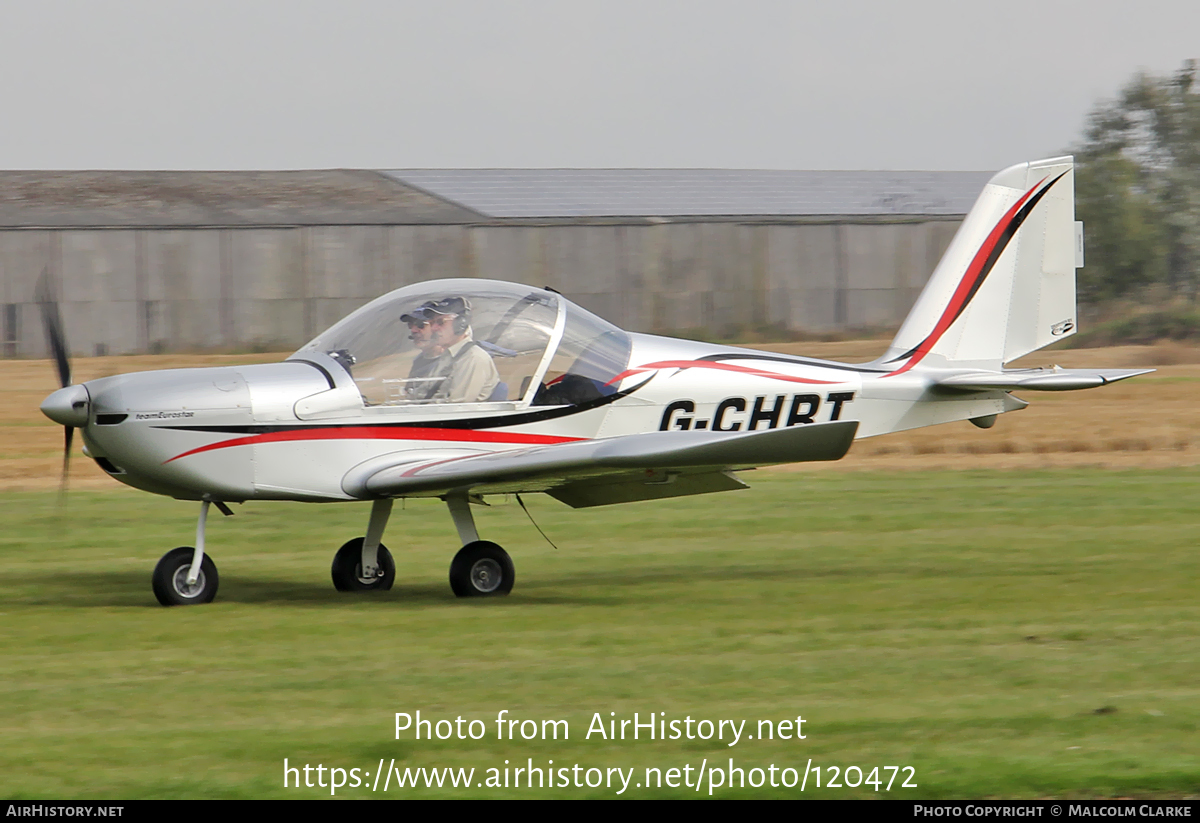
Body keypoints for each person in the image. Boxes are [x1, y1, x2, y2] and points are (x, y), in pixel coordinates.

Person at [404, 297, 500, 403]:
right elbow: (424, 392)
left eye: (440, 322)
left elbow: (457, 406)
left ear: (460, 325)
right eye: (432, 323)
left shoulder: (472, 358)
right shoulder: (449, 356)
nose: (434, 328)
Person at [399, 305, 446, 399]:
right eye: (410, 325)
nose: (413, 330)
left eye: (421, 325)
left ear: (437, 328)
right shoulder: (419, 360)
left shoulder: (453, 359)